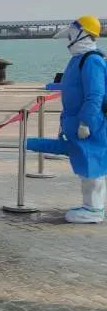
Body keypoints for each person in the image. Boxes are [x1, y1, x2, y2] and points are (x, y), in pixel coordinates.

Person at [28, 15, 106, 223]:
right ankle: (89, 205)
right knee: (84, 164)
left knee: (93, 165)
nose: (68, 41)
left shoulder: (92, 61)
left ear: (82, 34)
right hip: (75, 121)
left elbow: (95, 95)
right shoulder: (77, 60)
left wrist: (86, 122)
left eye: (71, 35)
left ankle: (94, 209)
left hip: (90, 124)